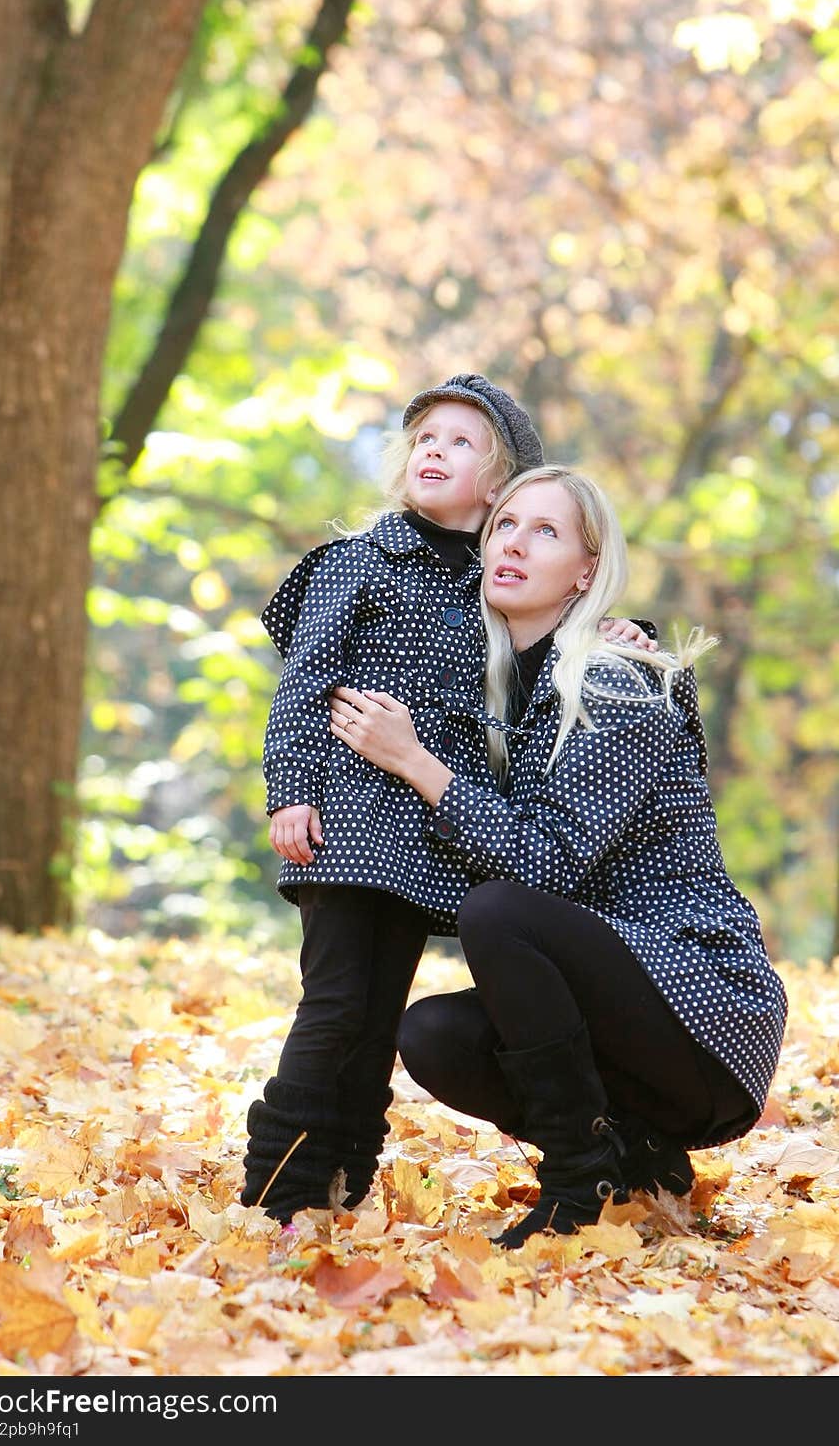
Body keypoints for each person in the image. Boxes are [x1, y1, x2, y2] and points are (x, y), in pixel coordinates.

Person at [328, 463, 788, 1248]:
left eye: (546, 531)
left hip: (705, 1008)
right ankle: (638, 1157)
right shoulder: (496, 701)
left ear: (585, 571)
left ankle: (580, 1181)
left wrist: (416, 763)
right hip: (624, 1016)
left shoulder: (616, 683)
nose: (514, 542)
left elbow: (536, 869)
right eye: (504, 524)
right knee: (435, 1034)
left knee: (499, 909)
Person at [241, 377, 654, 1223]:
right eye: (425, 437)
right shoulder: (362, 558)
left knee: (374, 1015)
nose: (434, 449)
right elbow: (303, 682)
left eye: (462, 442)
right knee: (335, 1007)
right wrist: (291, 790)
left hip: (430, 841)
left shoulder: (496, 584)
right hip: (350, 823)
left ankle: (343, 1179)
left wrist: (617, 629)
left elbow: (552, 641)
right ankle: (277, 1188)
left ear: (502, 483)